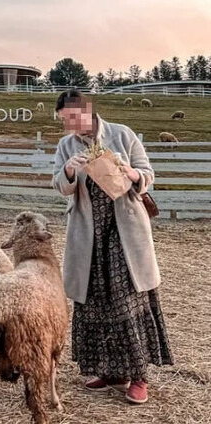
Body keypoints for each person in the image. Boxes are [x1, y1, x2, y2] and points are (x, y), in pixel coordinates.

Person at [52, 90, 173, 404]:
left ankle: (138, 376)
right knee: (95, 302)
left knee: (126, 302)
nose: (70, 126)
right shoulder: (66, 146)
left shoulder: (122, 135)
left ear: (87, 110)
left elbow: (147, 174)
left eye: (72, 118)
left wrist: (133, 174)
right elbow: (59, 186)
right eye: (64, 122)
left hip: (125, 232)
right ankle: (110, 371)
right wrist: (69, 171)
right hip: (88, 236)